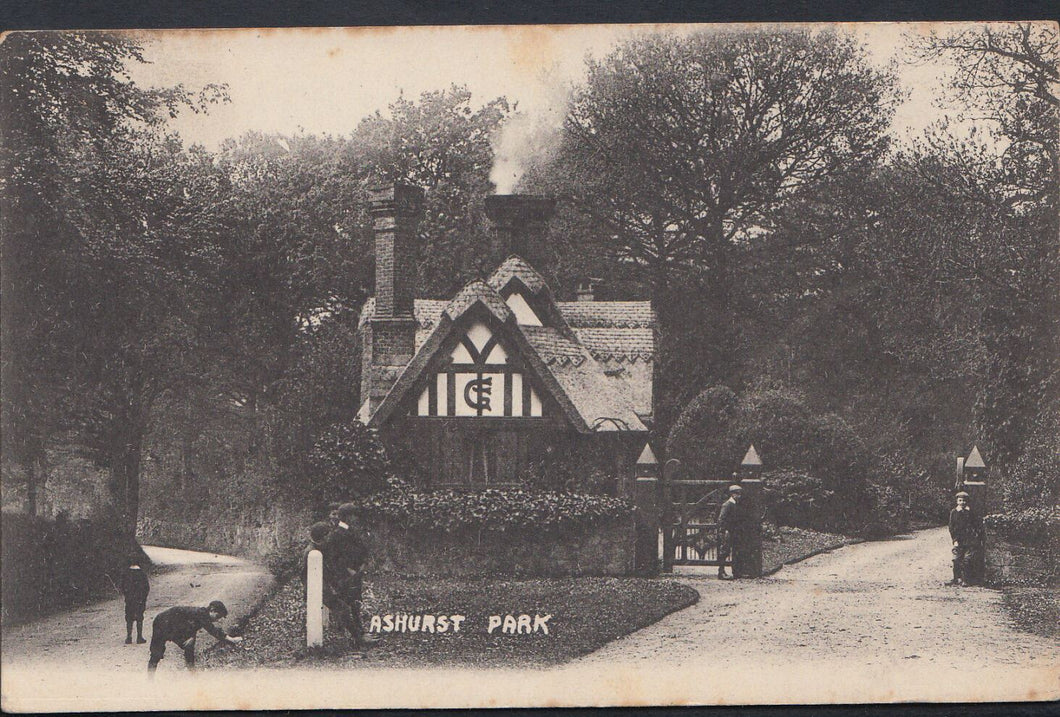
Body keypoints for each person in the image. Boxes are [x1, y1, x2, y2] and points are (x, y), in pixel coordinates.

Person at [320, 503, 380, 650]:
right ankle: (355, 637)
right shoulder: (336, 534)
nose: (356, 518)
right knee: (346, 604)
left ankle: (360, 632)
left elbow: (361, 549)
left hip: (356, 573)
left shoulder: (352, 530)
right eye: (354, 515)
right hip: (345, 576)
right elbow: (334, 558)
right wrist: (348, 570)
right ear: (347, 517)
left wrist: (363, 564)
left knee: (356, 604)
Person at [147, 600, 243, 673]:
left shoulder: (201, 614)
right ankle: (150, 681)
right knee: (156, 653)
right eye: (217, 616)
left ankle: (192, 673)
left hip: (174, 625)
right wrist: (231, 639)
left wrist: (190, 636)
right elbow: (213, 631)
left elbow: (190, 626)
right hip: (162, 623)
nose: (217, 620)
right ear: (212, 610)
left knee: (189, 645)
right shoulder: (202, 614)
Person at [948, 491, 982, 587]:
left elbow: (975, 524)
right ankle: (956, 578)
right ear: (957, 501)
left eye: (964, 500)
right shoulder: (954, 512)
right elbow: (951, 527)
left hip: (969, 540)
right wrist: (955, 540)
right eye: (960, 500)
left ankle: (965, 579)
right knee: (956, 559)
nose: (962, 502)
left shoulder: (970, 512)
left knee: (967, 560)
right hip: (959, 540)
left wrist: (976, 536)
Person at [120, 558, 150, 644]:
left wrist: (126, 594)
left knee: (129, 617)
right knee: (139, 617)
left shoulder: (126, 574)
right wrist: (144, 597)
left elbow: (122, 586)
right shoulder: (142, 574)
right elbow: (146, 588)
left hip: (129, 599)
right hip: (139, 599)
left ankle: (129, 637)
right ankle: (139, 637)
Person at [717, 484, 742, 580]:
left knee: (735, 551)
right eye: (737, 494)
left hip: (734, 531)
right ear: (732, 494)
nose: (739, 496)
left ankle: (736, 571)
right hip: (727, 532)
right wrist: (723, 531)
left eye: (739, 494)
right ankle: (721, 572)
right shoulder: (727, 505)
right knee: (725, 551)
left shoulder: (736, 504)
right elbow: (721, 519)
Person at [300, 521, 332, 597]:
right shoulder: (312, 552)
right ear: (323, 536)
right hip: (317, 592)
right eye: (328, 535)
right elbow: (305, 575)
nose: (330, 537)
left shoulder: (322, 547)